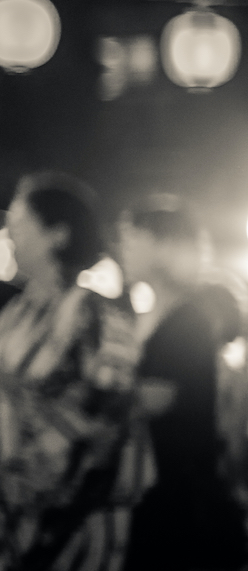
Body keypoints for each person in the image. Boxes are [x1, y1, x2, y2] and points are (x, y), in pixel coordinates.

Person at [0, 172, 148, 571]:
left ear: (58, 235)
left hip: (74, 525)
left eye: (19, 223)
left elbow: (110, 416)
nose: (9, 235)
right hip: (11, 519)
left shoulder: (96, 313)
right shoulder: (13, 315)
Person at [117, 195, 248, 571]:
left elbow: (159, 398)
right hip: (152, 491)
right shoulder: (149, 316)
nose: (123, 248)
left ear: (164, 246)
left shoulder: (188, 320)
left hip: (177, 499)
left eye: (133, 237)